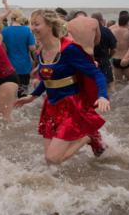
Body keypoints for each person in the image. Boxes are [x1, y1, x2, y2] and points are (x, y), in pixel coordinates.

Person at [15, 10, 110, 165]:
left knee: (52, 158)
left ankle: (87, 136)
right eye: (31, 24)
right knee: (50, 162)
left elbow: (96, 73)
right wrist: (32, 96)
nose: (32, 28)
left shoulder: (69, 49)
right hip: (51, 107)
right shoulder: (41, 51)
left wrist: (103, 96)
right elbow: (48, 78)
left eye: (37, 24)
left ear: (50, 25)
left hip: (71, 106)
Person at [1, 10, 37, 98]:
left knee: (10, 94)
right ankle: (23, 110)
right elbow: (32, 48)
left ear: (11, 19)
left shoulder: (4, 31)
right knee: (23, 93)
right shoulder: (27, 30)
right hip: (24, 66)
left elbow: (2, 49)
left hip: (9, 66)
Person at [92, 13, 117, 91]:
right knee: (110, 85)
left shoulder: (89, 32)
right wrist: (109, 56)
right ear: (101, 20)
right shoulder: (106, 31)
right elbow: (114, 49)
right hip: (104, 59)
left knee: (94, 84)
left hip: (91, 61)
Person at [110, 11, 129, 83]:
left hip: (115, 59)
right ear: (127, 21)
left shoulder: (112, 31)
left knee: (118, 84)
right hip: (126, 59)